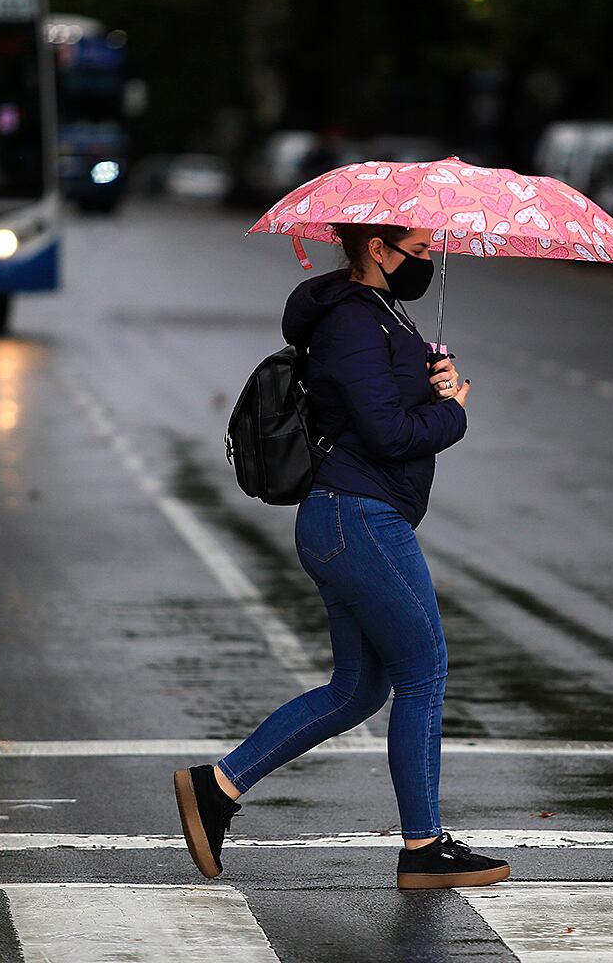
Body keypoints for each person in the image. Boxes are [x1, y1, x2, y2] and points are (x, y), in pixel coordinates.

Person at [173, 224, 510, 891]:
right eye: (417, 251)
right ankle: (422, 845)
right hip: (359, 519)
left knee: (357, 689)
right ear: (376, 248)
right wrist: (453, 414)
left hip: (350, 519)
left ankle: (216, 788)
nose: (428, 263)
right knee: (424, 669)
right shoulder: (354, 321)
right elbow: (386, 435)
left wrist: (430, 378)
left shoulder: (378, 314)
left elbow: (377, 406)